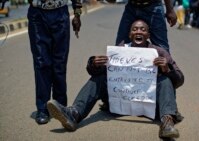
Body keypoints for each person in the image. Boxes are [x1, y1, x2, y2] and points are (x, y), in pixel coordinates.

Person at [47, 20, 184, 139]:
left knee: (165, 80)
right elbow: (103, 73)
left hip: (150, 106)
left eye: (143, 29)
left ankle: (167, 123)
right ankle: (74, 113)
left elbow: (179, 80)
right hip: (120, 102)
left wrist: (166, 69)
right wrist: (94, 64)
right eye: (135, 29)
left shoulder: (159, 52)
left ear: (148, 35)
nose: (139, 31)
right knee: (99, 77)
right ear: (130, 35)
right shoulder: (121, 50)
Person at [27, 0, 83, 124]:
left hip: (60, 14)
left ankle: (61, 105)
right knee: (41, 63)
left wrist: (77, 14)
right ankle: (42, 109)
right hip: (37, 15)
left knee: (60, 63)